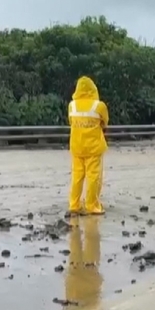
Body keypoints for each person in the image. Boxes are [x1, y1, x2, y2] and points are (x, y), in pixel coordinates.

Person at [68, 76, 109, 216]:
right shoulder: (99, 106)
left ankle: (74, 205)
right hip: (93, 148)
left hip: (77, 147)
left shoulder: (71, 105)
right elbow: (105, 122)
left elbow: (71, 122)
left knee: (77, 176)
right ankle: (92, 206)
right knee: (93, 177)